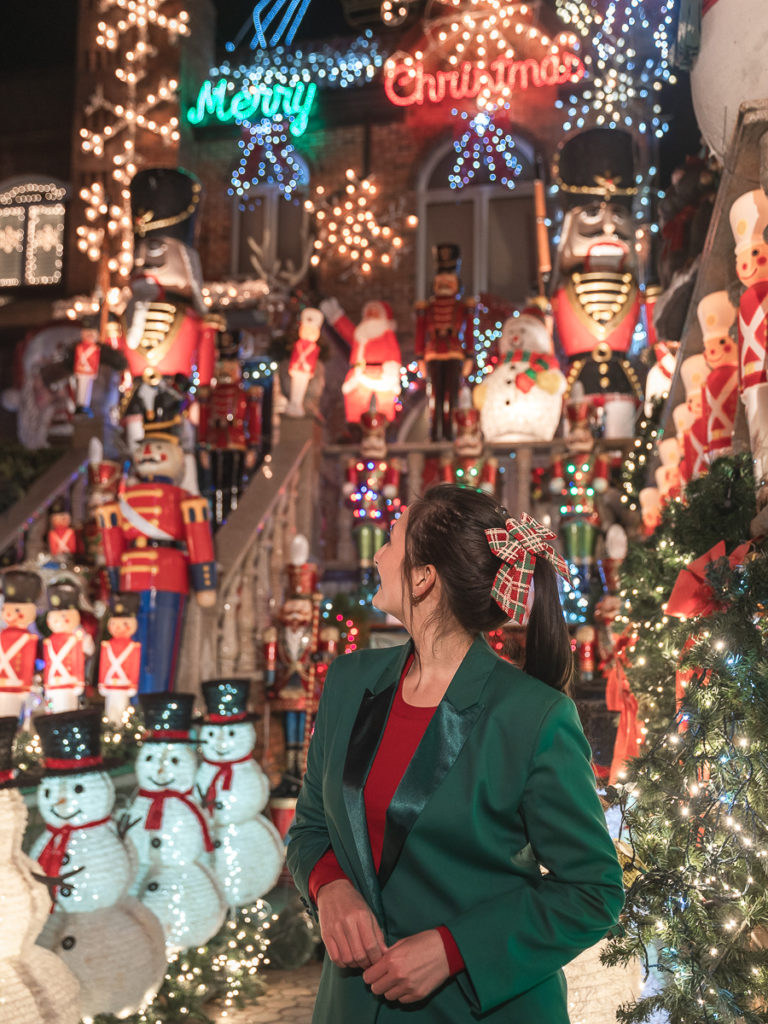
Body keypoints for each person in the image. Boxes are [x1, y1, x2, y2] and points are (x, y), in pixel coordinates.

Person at [286, 483, 624, 1022]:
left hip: (476, 1008)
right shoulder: (349, 682)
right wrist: (330, 889)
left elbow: (592, 892)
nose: (376, 554)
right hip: (349, 1005)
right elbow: (308, 830)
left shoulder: (533, 716)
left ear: (423, 579)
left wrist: (453, 948)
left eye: (391, 542)